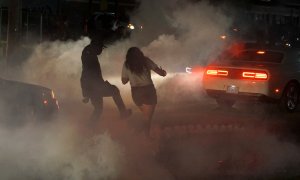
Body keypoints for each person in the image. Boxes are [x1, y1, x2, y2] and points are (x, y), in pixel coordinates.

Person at [80, 38, 132, 121]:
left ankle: (89, 128)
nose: (101, 50)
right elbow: (88, 74)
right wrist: (87, 92)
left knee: (98, 109)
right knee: (114, 91)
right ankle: (123, 113)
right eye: (100, 47)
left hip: (92, 86)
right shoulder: (89, 55)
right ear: (95, 46)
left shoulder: (89, 52)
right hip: (94, 86)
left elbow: (88, 74)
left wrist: (86, 92)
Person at [121, 47, 167, 135]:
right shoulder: (145, 61)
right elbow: (160, 73)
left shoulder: (126, 64)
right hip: (148, 90)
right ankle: (143, 135)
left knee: (146, 116)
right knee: (147, 117)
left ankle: (140, 134)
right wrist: (164, 73)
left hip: (136, 92)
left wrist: (131, 76)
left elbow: (124, 81)